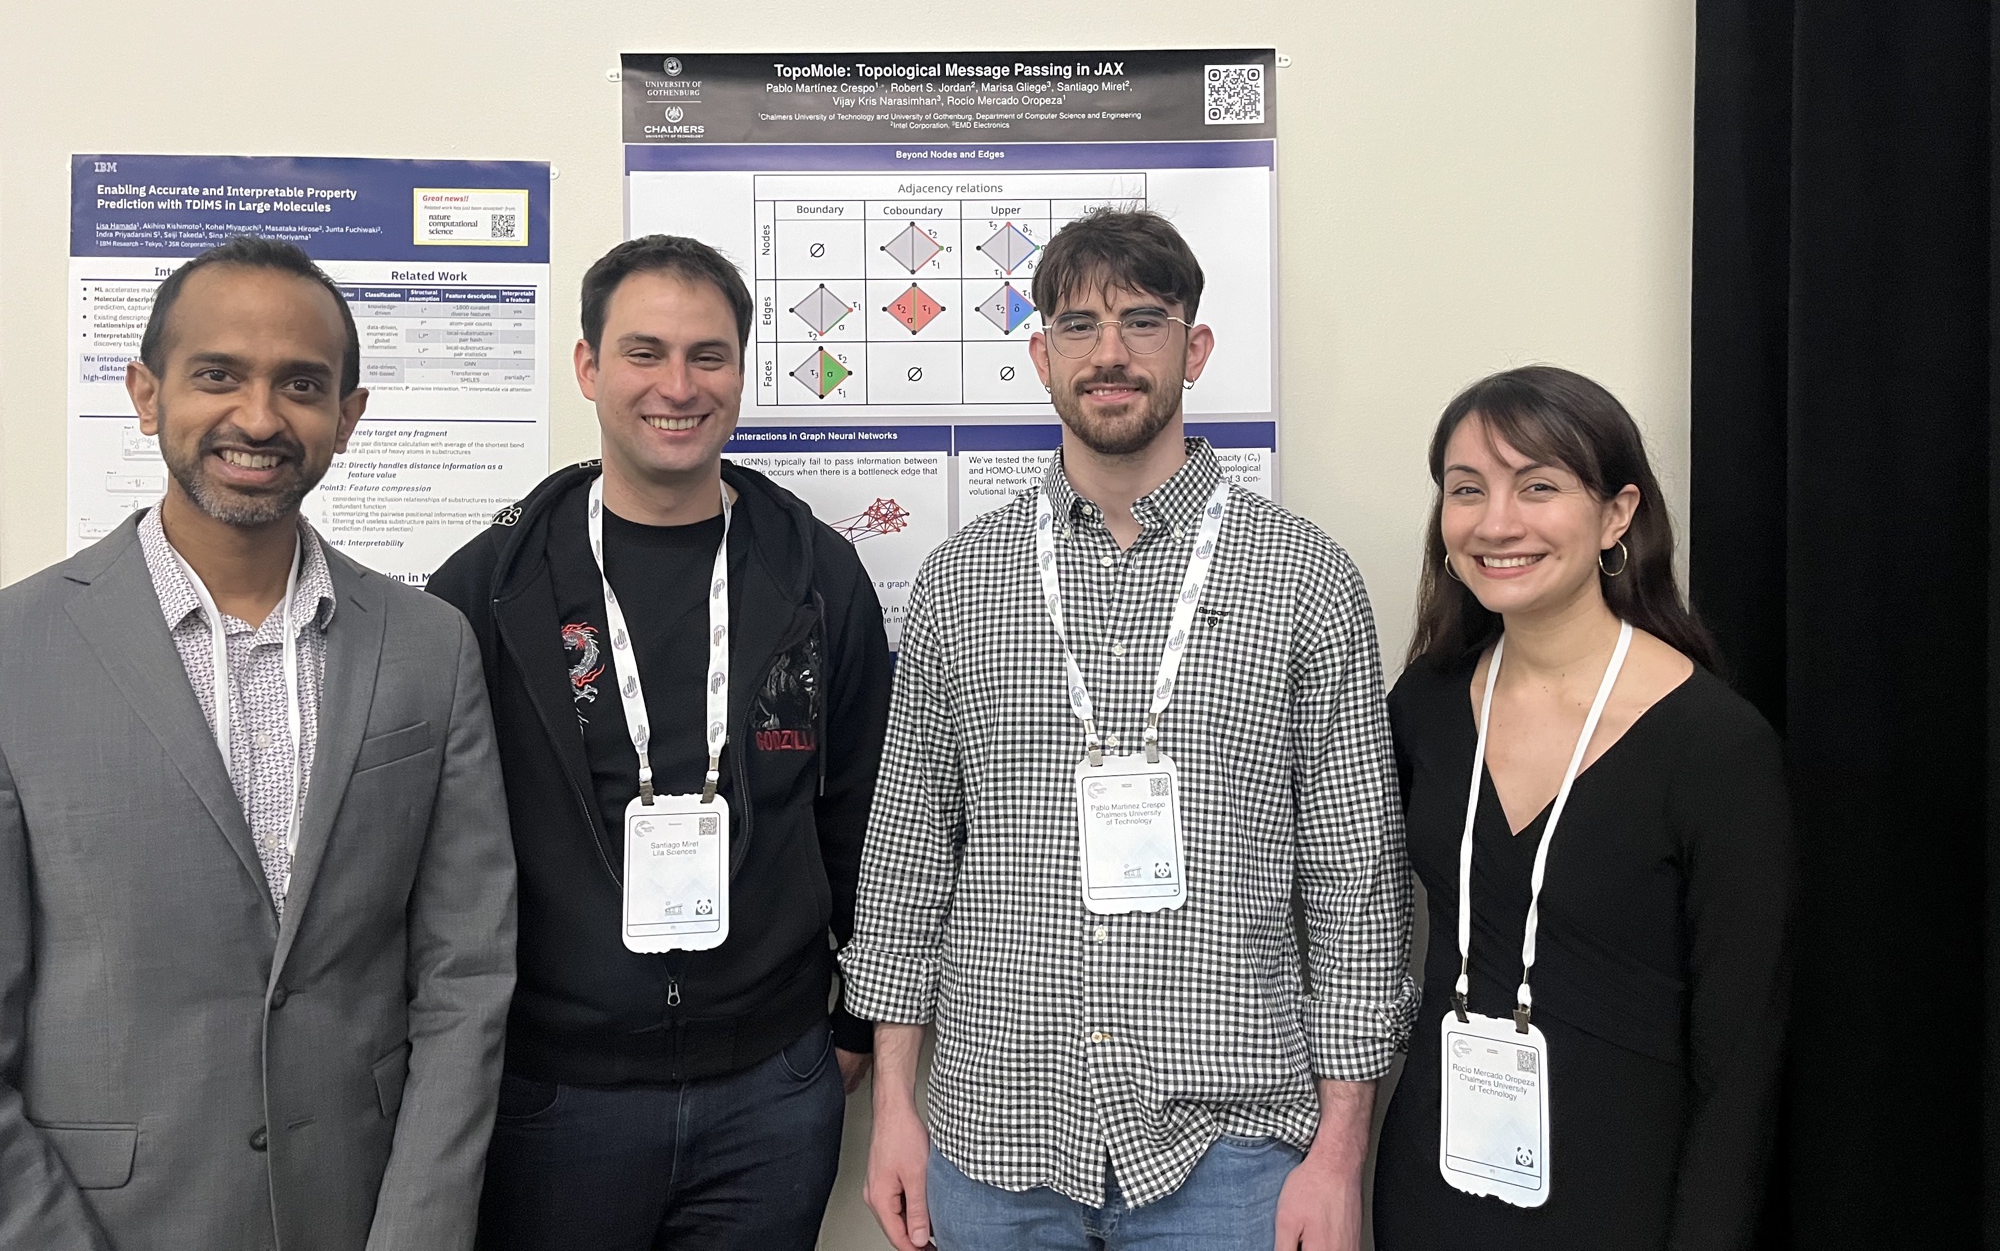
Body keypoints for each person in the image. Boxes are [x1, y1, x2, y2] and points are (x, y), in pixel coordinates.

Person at [842, 207, 1415, 1251]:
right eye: (1078, 325)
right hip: (993, 1134)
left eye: (1142, 321)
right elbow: (907, 856)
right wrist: (892, 1107)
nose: (1109, 352)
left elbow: (1355, 881)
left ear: (1194, 348)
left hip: (1230, 1149)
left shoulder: (1305, 578)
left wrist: (1341, 1152)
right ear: (1041, 357)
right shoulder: (960, 582)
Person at [0, 237, 517, 1250]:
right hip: (107, 1219)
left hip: (361, 1209)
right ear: (146, 394)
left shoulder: (428, 646)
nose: (260, 417)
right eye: (217, 376)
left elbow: (466, 975)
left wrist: (417, 1231)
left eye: (301, 384)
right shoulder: (18, 650)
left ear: (346, 418)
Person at [429, 234, 891, 1251]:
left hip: (771, 1090)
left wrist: (855, 1021)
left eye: (707, 356)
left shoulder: (815, 575)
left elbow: (867, 812)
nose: (677, 386)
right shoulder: (491, 587)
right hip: (554, 1098)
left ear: (740, 372)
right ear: (588, 367)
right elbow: (436, 848)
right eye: (644, 352)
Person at [1370, 366, 1793, 1250]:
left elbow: (1742, 1059)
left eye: (1538, 487)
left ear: (1616, 514)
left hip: (1624, 1196)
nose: (1496, 523)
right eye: (1466, 490)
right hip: (1436, 1182)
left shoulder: (1715, 746)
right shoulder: (1426, 704)